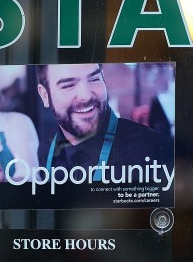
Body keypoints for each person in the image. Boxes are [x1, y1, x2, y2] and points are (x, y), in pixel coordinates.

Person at [36, 63, 174, 178]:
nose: (86, 95)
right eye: (68, 85)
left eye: (94, 79)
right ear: (44, 95)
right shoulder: (46, 150)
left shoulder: (156, 149)